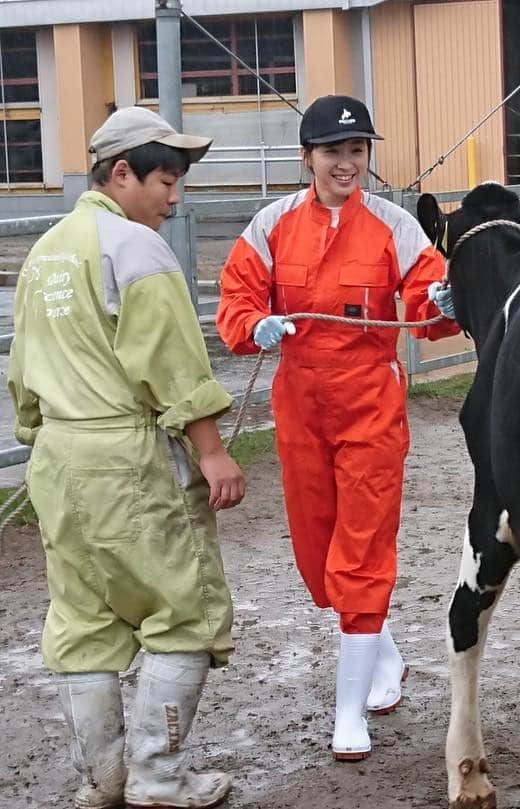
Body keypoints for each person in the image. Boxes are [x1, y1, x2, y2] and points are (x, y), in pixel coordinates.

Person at [7, 106, 245, 809]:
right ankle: (160, 777)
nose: (175, 198)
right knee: (183, 606)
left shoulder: (44, 251)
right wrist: (212, 451)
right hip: (128, 454)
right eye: (165, 180)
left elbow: (22, 372)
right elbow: (170, 362)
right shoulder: (136, 249)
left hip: (56, 453)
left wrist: (45, 436)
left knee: (82, 619)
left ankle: (103, 779)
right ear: (120, 173)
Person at [215, 94, 459, 761]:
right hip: (299, 407)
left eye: (357, 151)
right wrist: (251, 325)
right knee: (319, 560)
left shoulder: (393, 226)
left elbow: (426, 300)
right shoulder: (271, 225)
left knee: (360, 553)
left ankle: (347, 715)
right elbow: (236, 298)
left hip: (370, 408)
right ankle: (384, 653)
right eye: (333, 151)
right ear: (308, 157)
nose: (347, 163)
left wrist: (442, 299)